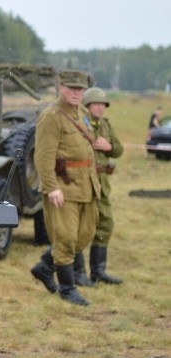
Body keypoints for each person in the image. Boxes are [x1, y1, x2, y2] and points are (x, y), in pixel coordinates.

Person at [30, 70, 101, 306]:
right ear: (60, 87)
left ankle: (44, 267)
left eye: (80, 89)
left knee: (85, 236)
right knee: (66, 240)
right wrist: (51, 187)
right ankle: (67, 289)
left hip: (86, 186)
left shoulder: (82, 113)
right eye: (71, 88)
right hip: (63, 188)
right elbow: (43, 156)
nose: (76, 93)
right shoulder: (52, 116)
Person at [72, 87, 124, 286]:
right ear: (86, 106)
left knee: (105, 224)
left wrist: (109, 147)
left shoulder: (105, 125)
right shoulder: (80, 124)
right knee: (82, 228)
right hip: (84, 182)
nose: (100, 108)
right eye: (96, 104)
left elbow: (119, 150)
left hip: (102, 184)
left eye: (103, 105)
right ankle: (77, 273)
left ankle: (98, 271)